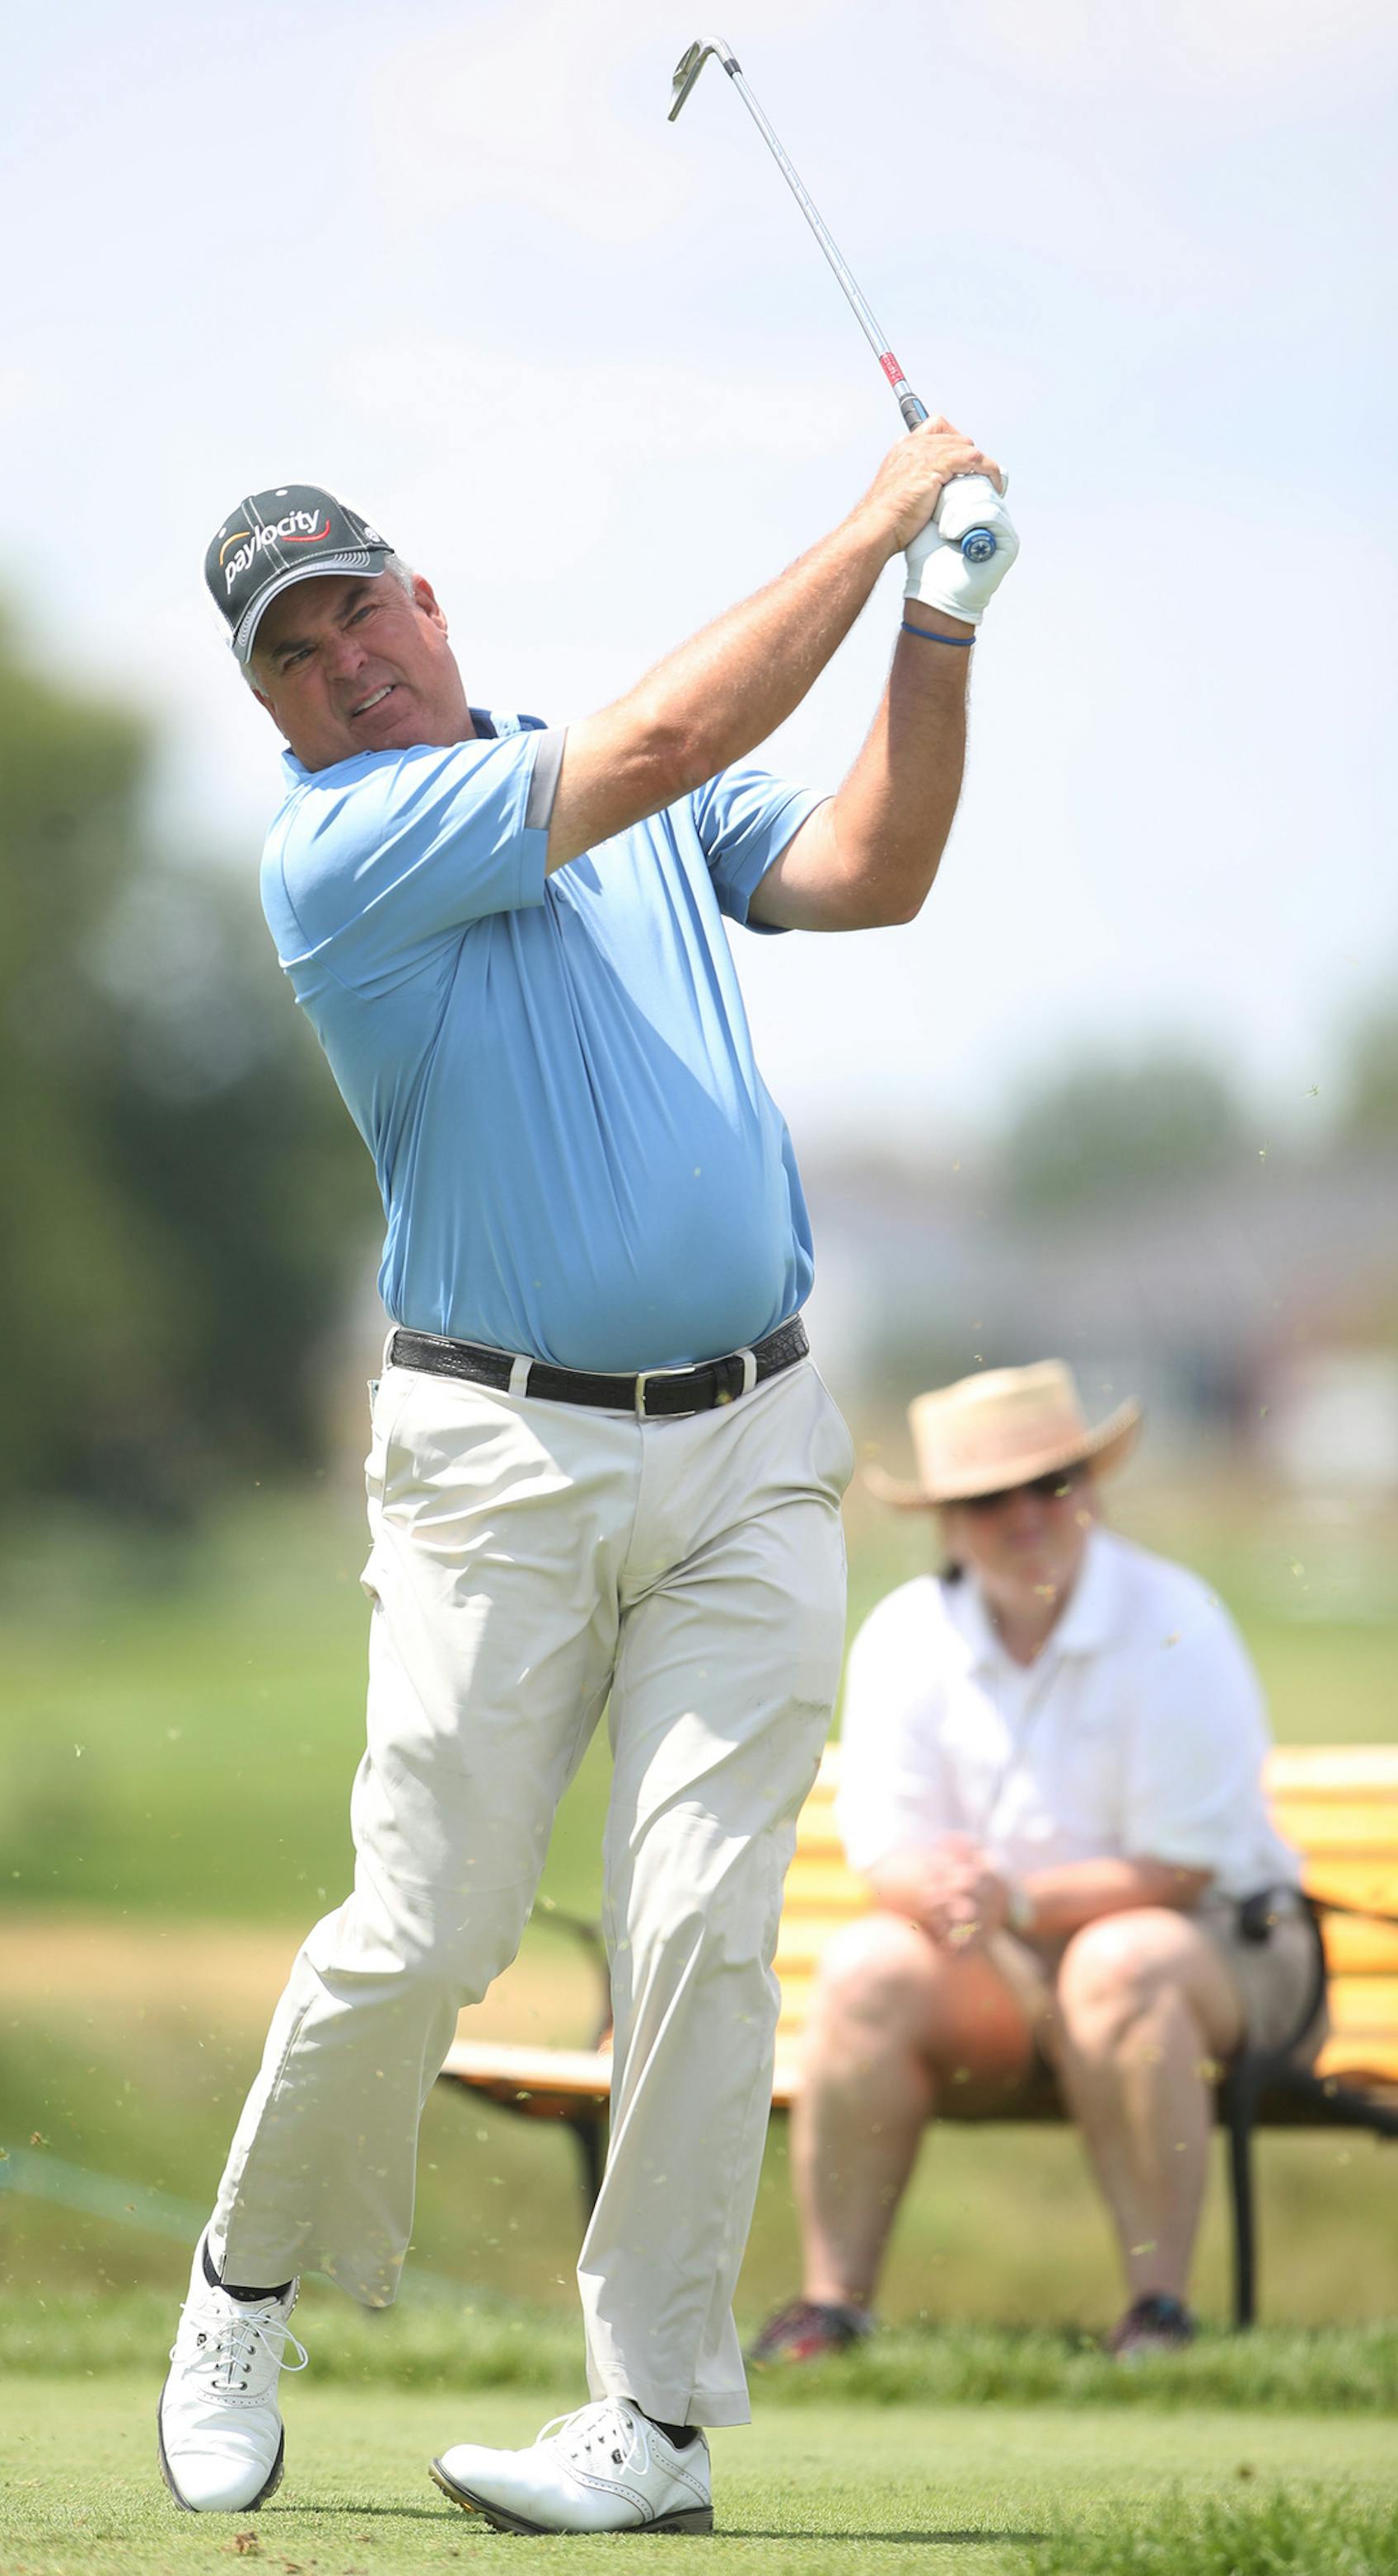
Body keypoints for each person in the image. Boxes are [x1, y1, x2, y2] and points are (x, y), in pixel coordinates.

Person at [158, 435, 1019, 2536]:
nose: (342, 661)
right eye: (292, 651)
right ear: (269, 707)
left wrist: (939, 615)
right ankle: (242, 2277)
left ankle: (648, 2412)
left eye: (356, 606)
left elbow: (869, 864)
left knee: (705, 1926)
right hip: (498, 1457)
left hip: (751, 1442)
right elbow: (671, 727)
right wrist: (875, 507)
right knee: (427, 1924)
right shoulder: (345, 850)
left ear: (423, 597)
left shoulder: (616, 797)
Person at [750, 1361, 1321, 2369]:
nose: (1025, 1515)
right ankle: (832, 2309)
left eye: (1049, 1483)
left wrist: (1008, 1895)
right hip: (1013, 1961)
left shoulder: (1173, 1614)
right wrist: (942, 1888)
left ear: (1089, 1488)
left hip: (1229, 1951)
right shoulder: (903, 1635)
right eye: (987, 1497)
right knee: (867, 1966)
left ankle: (1159, 2312)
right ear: (948, 1521)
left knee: (1123, 1961)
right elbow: (887, 1847)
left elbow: (1182, 1869)